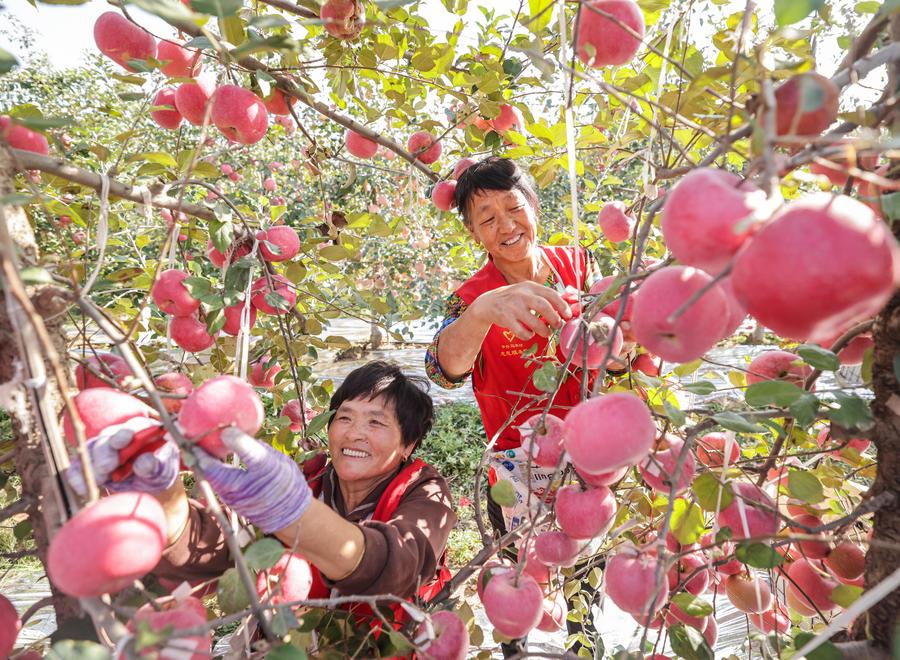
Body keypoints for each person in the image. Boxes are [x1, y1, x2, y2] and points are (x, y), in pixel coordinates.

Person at [67, 361, 457, 630]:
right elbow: (224, 546)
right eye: (345, 417)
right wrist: (162, 502)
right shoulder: (307, 479)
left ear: (408, 445)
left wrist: (293, 514)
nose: (355, 433)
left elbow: (399, 566)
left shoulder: (426, 497)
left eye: (376, 422)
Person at [425, 157, 615, 654]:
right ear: (474, 234)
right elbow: (441, 368)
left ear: (534, 206)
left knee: (582, 596)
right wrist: (484, 312)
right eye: (487, 218)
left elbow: (615, 351)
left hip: (586, 462)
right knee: (519, 595)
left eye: (514, 208)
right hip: (514, 467)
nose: (506, 225)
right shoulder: (469, 297)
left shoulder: (579, 263)